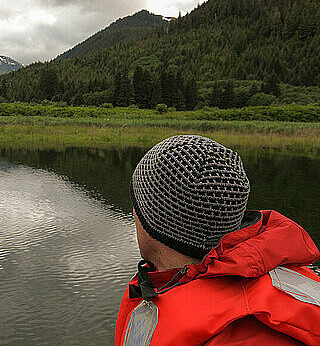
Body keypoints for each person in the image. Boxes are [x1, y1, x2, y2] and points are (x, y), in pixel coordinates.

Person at [115, 135, 320, 346]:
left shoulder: (247, 335)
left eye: (136, 205)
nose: (133, 214)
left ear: (155, 223)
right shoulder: (172, 280)